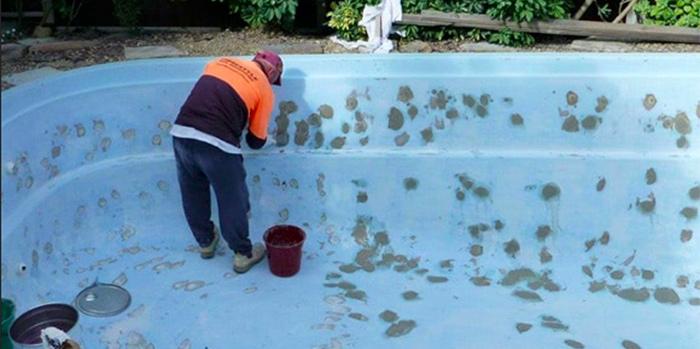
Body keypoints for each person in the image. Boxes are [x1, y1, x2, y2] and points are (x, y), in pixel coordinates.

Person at [170, 51, 282, 273]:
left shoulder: (218, 62)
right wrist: (268, 137)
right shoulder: (264, 89)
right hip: (217, 145)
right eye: (274, 78)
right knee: (233, 199)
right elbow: (255, 141)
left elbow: (211, 95)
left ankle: (206, 242)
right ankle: (243, 253)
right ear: (272, 71)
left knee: (193, 192)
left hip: (182, 133)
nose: (272, 82)